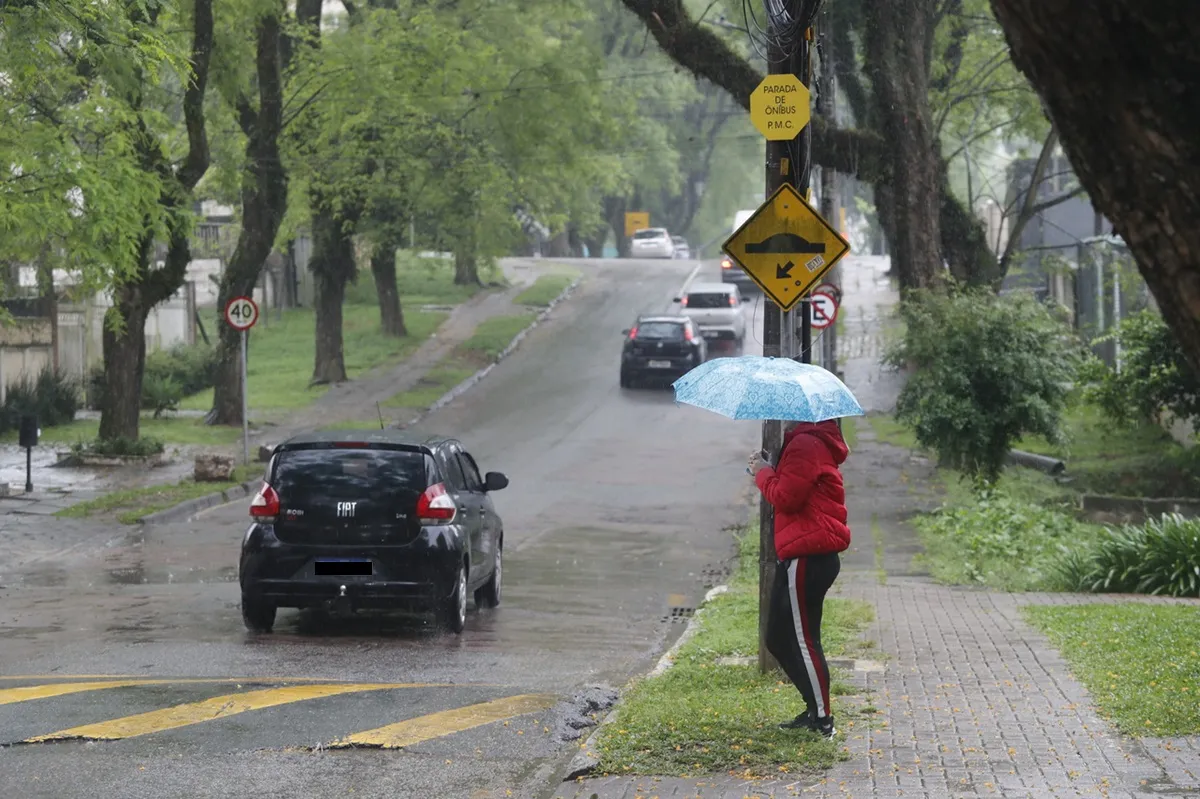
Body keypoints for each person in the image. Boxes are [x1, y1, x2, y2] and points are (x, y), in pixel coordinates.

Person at [748, 418, 851, 739]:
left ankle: (823, 720)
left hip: (808, 556)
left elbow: (787, 497)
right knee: (777, 638)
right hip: (802, 553)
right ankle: (813, 709)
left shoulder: (806, 444)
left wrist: (762, 472)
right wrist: (770, 467)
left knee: (805, 641)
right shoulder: (805, 443)